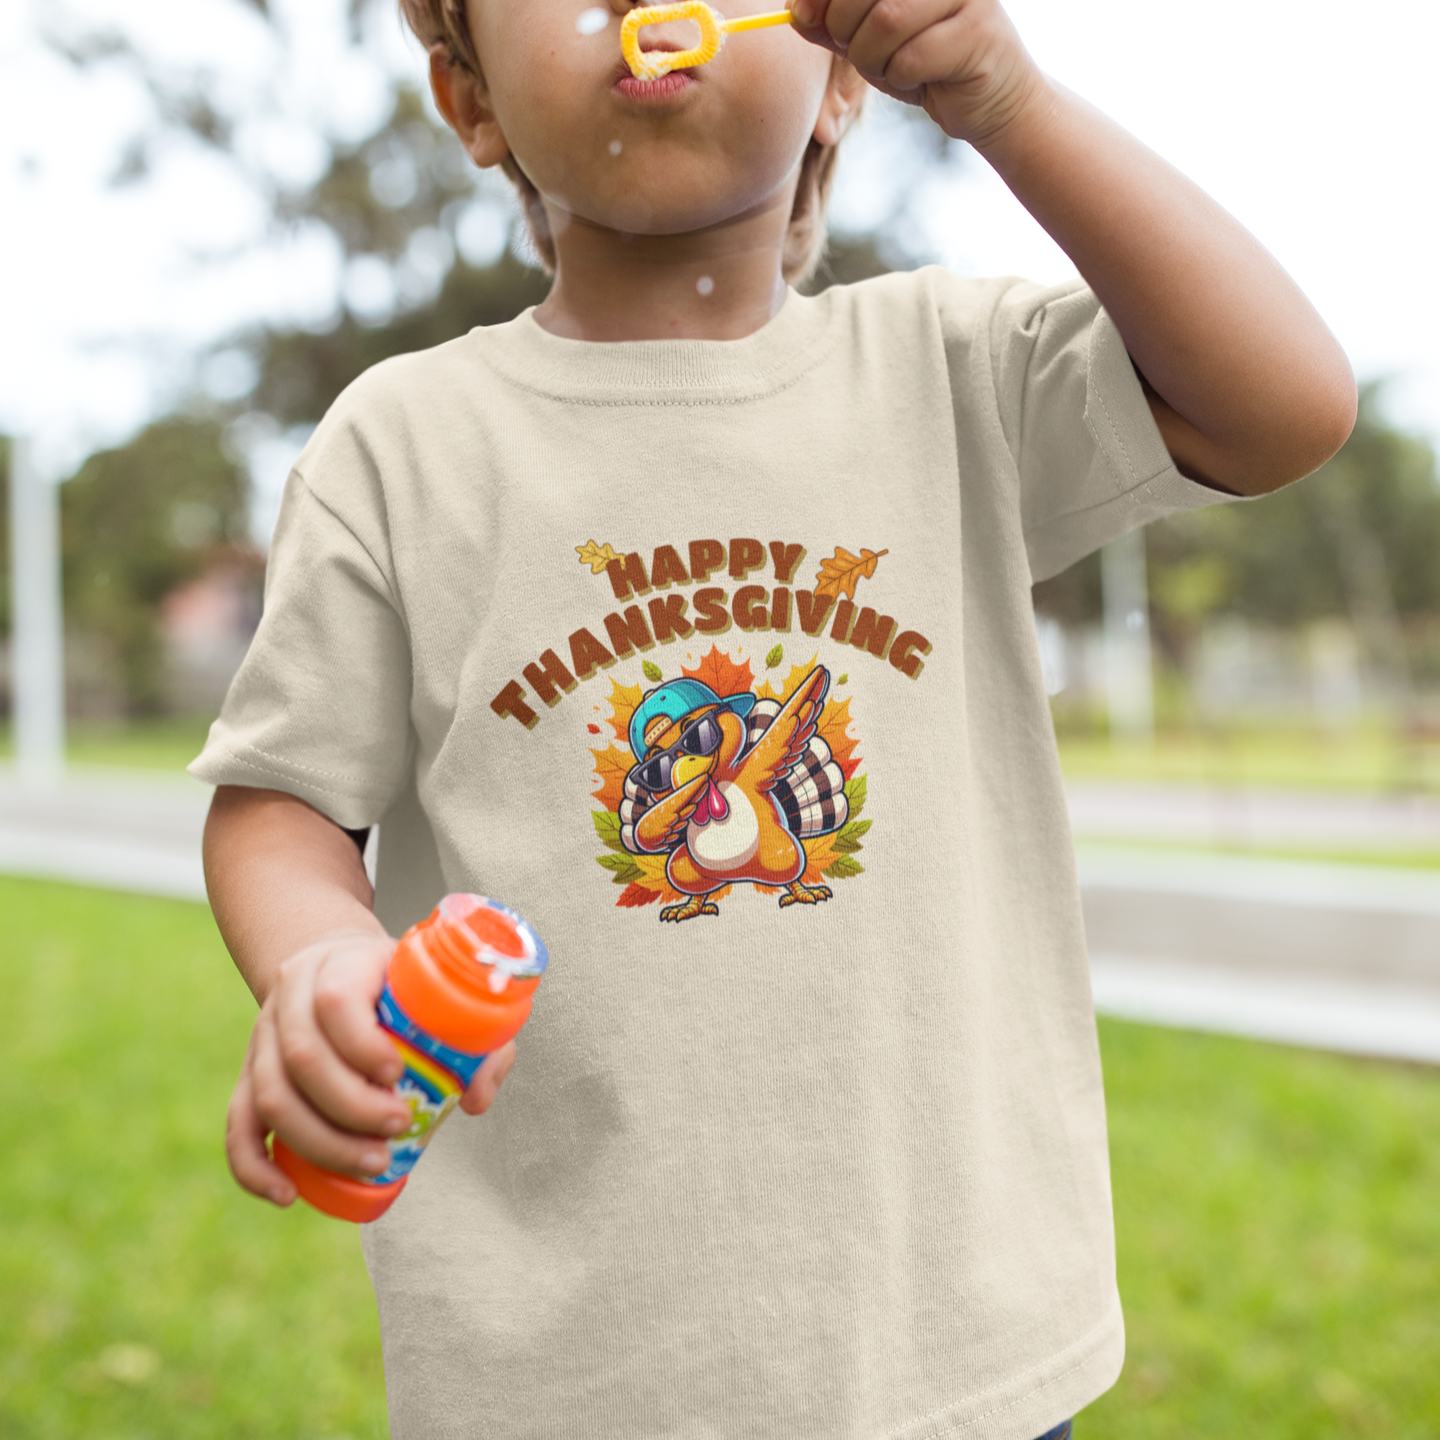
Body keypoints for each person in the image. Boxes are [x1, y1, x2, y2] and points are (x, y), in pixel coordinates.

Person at [193, 0, 1356, 1434]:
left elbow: (1284, 407)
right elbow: (284, 795)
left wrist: (1008, 100)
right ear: (471, 100)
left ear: (840, 86)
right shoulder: (402, 445)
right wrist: (318, 955)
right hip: (569, 1375)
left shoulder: (954, 371)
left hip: (962, 1354)